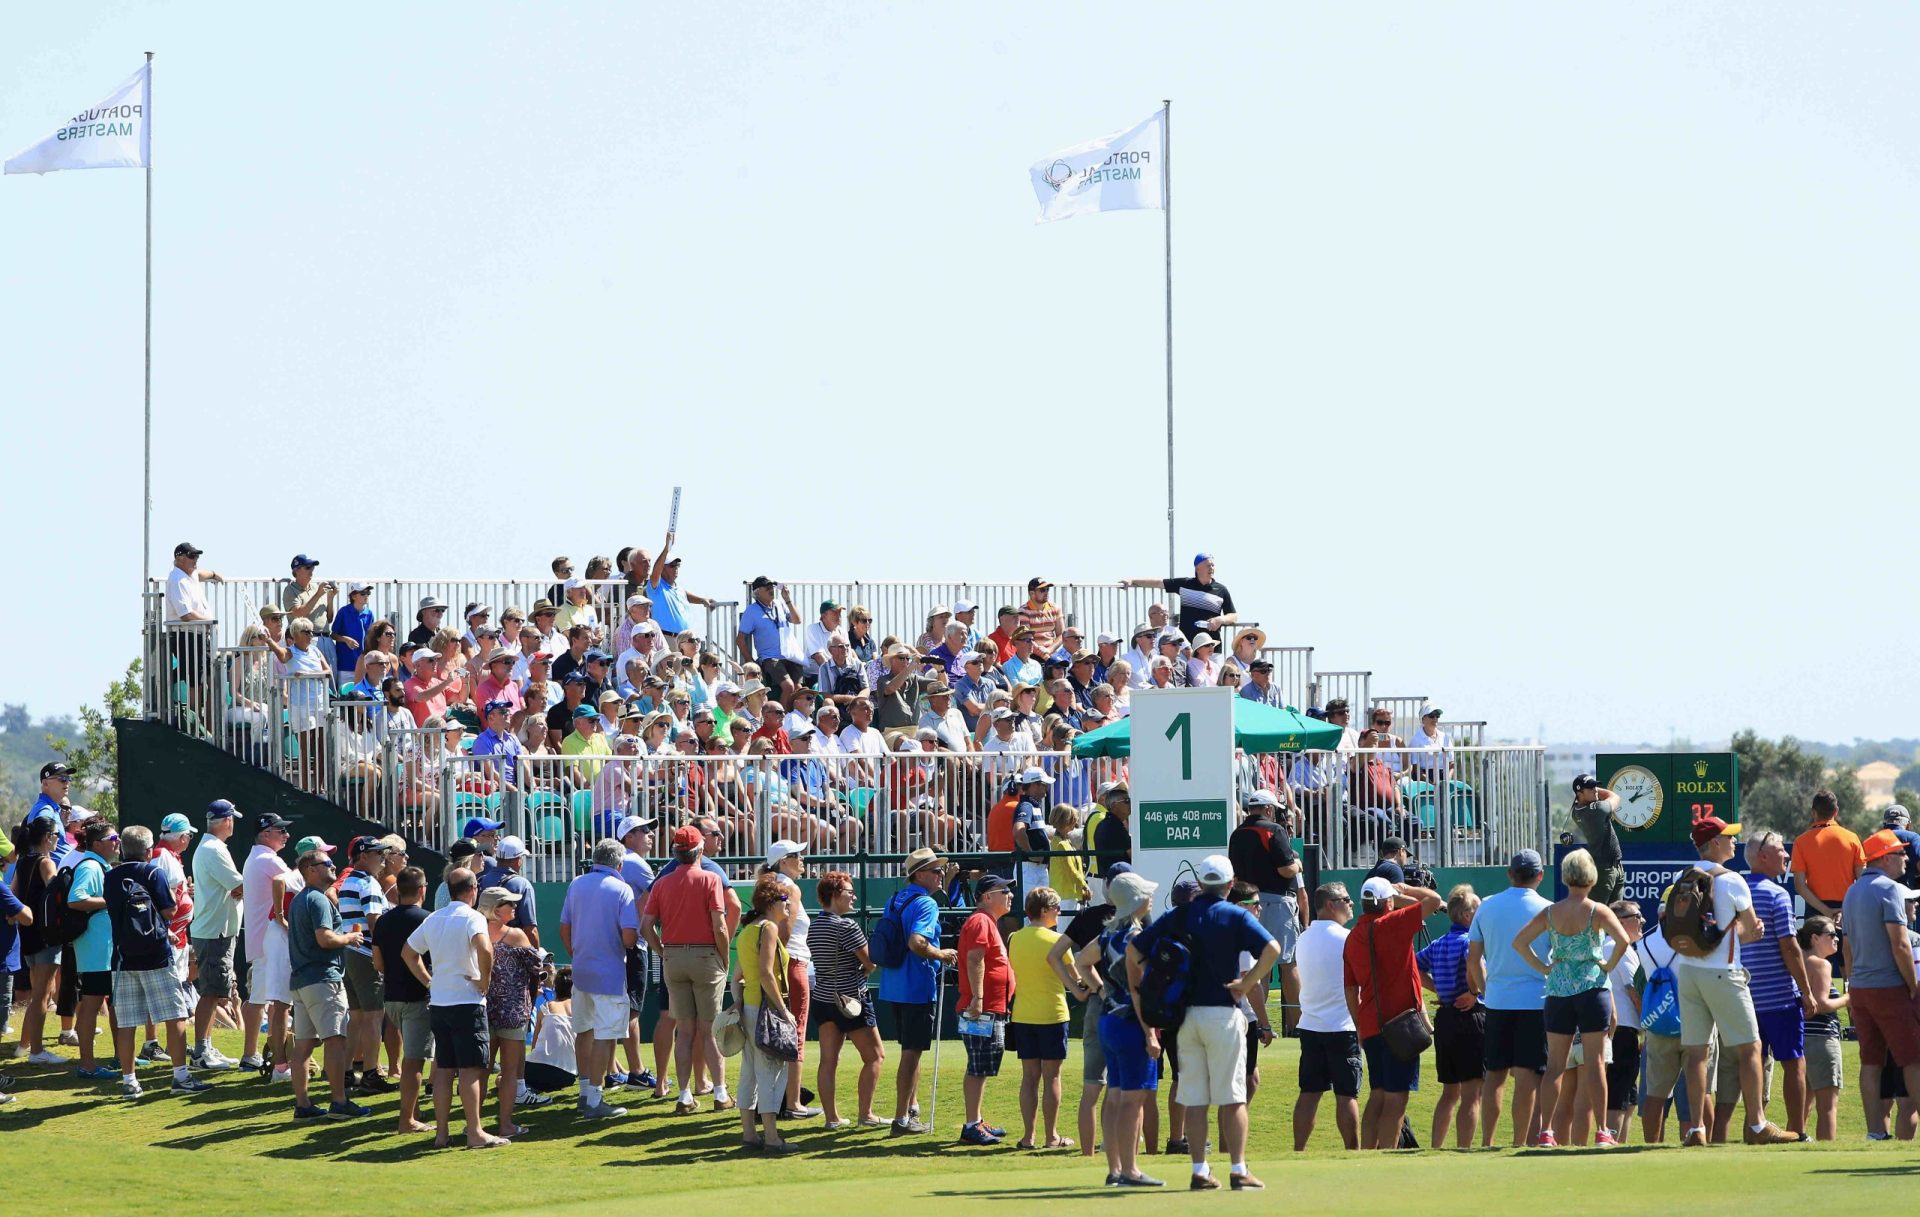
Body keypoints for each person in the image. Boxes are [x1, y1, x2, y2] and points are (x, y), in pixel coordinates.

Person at [1130, 854, 1280, 1190]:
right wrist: (1247, 982)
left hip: (1184, 1018)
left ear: (1201, 882)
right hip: (1223, 1014)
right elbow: (1272, 948)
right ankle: (1238, 1169)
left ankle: (1200, 1170)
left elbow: (1134, 952)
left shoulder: (1178, 915)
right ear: (1229, 885)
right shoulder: (1234, 914)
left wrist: (1152, 986)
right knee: (1233, 1096)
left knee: (1194, 1098)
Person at [1676, 815, 1796, 1146]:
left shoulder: (1682, 875)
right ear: (1714, 843)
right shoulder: (1733, 881)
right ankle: (1757, 1125)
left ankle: (1695, 1128)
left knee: (1697, 1052)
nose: (1733, 842)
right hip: (1722, 972)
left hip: (1687, 971)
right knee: (1751, 1048)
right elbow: (1752, 929)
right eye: (1728, 837)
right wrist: (1744, 932)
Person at [1513, 849, 1631, 1147]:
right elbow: (1623, 940)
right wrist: (1607, 965)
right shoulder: (1597, 911)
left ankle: (1546, 1132)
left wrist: (1543, 967)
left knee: (1555, 1065)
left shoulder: (1552, 912)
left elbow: (1520, 942)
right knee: (1595, 1063)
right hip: (1592, 989)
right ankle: (1603, 1130)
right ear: (1591, 877)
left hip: (1558, 990)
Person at [402, 865, 509, 1149]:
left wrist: (429, 982)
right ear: (473, 890)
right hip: (466, 1002)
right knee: (471, 1069)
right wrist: (484, 980)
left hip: (440, 1002)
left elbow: (409, 953)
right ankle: (474, 1132)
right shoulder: (472, 917)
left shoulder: (434, 918)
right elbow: (485, 949)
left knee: (445, 1071)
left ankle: (441, 1134)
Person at [104, 826, 211, 1099]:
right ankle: (181, 1077)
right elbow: (169, 910)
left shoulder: (111, 876)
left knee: (127, 1023)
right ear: (148, 851)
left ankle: (129, 1082)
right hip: (157, 955)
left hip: (123, 958)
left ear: (122, 848)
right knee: (175, 1016)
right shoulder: (154, 872)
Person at [1344, 875, 1443, 1150]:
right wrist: (1404, 890)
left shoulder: (1353, 937)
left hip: (1371, 1024)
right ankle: (1387, 1153)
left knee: (1377, 1093)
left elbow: (1351, 989)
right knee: (1397, 1097)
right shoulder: (1394, 923)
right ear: (1388, 902)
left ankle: (1367, 1152)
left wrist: (1359, 1025)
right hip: (1401, 1025)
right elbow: (1434, 901)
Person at [639, 826, 731, 1115]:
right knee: (710, 1030)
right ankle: (719, 1093)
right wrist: (724, 959)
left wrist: (663, 951)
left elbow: (646, 926)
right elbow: (720, 925)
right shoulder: (710, 879)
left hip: (674, 957)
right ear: (700, 850)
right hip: (705, 957)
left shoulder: (663, 883)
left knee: (686, 1031)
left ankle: (684, 1096)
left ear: (676, 852)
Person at [1466, 849, 1554, 1147]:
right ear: (1540, 875)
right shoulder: (1548, 909)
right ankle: (1519, 1142)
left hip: (1498, 1002)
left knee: (1495, 1073)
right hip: (1535, 1000)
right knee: (1528, 1074)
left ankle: (1488, 1142)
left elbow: (1474, 959)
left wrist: (1486, 990)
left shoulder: (1487, 906)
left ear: (1510, 873)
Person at [1841, 828, 1920, 1139]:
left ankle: (1875, 1131)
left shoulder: (1852, 891)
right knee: (1913, 1058)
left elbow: (1846, 947)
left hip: (1860, 988)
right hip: (1889, 988)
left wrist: (1850, 984)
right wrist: (1912, 985)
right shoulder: (1889, 889)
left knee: (1871, 1061)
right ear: (1884, 858)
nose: (1906, 858)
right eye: (1900, 853)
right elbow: (1900, 943)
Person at [1740, 828, 1815, 1139]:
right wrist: (1807, 992)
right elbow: (1789, 947)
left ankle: (1753, 1126)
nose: (1786, 855)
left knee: (1752, 1062)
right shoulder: (1776, 894)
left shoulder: (1736, 890)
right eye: (1780, 850)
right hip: (1779, 998)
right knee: (1794, 1063)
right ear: (1763, 856)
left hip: (1743, 997)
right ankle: (1797, 1132)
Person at [286, 845, 371, 1120]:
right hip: (323, 980)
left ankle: (304, 1105)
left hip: (301, 981)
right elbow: (325, 939)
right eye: (327, 864)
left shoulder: (301, 899)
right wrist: (350, 938)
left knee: (303, 1047)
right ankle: (339, 1101)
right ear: (311, 870)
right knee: (336, 1041)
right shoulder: (318, 899)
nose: (333, 868)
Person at [878, 848, 958, 1137]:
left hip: (894, 985)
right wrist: (942, 954)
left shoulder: (894, 899)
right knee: (912, 1053)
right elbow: (916, 942)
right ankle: (901, 1119)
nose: (940, 875)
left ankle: (911, 1108)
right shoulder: (926, 904)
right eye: (935, 871)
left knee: (912, 1051)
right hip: (915, 987)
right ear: (919, 875)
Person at [563, 838, 644, 1121]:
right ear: (619, 864)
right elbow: (629, 937)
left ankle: (586, 1094)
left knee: (584, 1031)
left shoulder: (576, 884)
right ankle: (594, 1099)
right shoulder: (622, 889)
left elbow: (565, 928)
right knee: (605, 1035)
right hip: (609, 974)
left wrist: (579, 954)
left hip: (582, 971)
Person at [730, 873, 799, 1153]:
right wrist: (784, 1011)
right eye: (784, 899)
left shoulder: (747, 930)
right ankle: (771, 1137)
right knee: (771, 1071)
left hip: (750, 1006)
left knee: (750, 1072)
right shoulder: (768, 928)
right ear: (771, 901)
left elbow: (737, 978)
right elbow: (766, 974)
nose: (789, 904)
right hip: (766, 1008)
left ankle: (750, 1134)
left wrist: (738, 1005)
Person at [810, 869, 883, 1129]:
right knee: (875, 1057)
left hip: (822, 999)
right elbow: (870, 962)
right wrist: (864, 970)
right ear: (836, 895)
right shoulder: (847, 926)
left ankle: (832, 1118)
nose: (853, 898)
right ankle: (867, 1114)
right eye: (850, 893)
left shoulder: (814, 925)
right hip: (851, 1000)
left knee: (828, 1061)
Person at [1293, 882, 1361, 1151]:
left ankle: (1299, 1150)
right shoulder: (1347, 938)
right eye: (1346, 899)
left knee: (1309, 1093)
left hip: (1311, 1026)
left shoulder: (1304, 936)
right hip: (1342, 1027)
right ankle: (1352, 1151)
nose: (1351, 903)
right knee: (1347, 1095)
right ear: (1331, 905)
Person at [1227, 791, 1302, 1035]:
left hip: (1246, 902)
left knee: (1259, 964)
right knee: (1288, 962)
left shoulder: (1236, 834)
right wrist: (1297, 864)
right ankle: (1299, 1025)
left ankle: (1258, 1022)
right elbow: (1286, 870)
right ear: (1269, 809)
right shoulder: (1274, 830)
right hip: (1277, 902)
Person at [1009, 885, 1076, 1150]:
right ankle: (1050, 1136)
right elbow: (1075, 978)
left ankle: (1029, 1137)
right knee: (1052, 1078)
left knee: (1029, 1077)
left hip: (1024, 1014)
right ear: (1046, 910)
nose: (1059, 911)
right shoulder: (1057, 941)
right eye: (1056, 907)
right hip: (1053, 1014)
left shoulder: (1014, 938)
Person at [1416, 884, 1484, 1148]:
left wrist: (1438, 989)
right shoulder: (1469, 942)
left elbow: (1415, 965)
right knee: (1472, 1092)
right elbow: (1473, 965)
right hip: (1469, 1017)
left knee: (1449, 1092)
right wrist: (1473, 991)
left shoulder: (1438, 943)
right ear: (1467, 916)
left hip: (1445, 1018)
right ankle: (1463, 1148)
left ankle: (1436, 1147)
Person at [371, 865, 434, 1133]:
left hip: (392, 998)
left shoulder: (383, 920)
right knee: (414, 1061)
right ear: (422, 890)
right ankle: (407, 1120)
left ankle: (413, 1111)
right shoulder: (428, 919)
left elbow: (378, 963)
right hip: (417, 998)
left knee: (411, 1059)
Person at [761, 840, 819, 1119]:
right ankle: (793, 1102)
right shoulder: (790, 888)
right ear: (783, 861)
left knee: (782, 1034)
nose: (802, 859)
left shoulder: (771, 885)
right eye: (797, 855)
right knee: (795, 1033)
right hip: (793, 964)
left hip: (785, 964)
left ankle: (780, 1096)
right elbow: (783, 934)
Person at [955, 874, 1014, 1146]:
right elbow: (975, 958)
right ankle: (971, 1125)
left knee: (982, 1065)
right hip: (982, 1009)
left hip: (990, 1008)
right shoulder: (981, 921)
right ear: (988, 896)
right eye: (1005, 891)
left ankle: (976, 1120)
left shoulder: (987, 922)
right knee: (978, 1067)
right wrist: (978, 998)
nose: (1010, 895)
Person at [480, 886, 543, 1137]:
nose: (515, 907)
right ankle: (505, 1125)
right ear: (496, 910)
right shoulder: (516, 936)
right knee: (508, 1071)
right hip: (513, 1011)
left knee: (481, 1071)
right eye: (510, 903)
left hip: (482, 1009)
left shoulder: (475, 934)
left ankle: (474, 1123)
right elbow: (537, 968)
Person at [188, 799, 244, 1070]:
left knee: (214, 993)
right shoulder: (213, 848)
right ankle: (201, 1053)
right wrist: (241, 887)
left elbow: (237, 886)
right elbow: (239, 885)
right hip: (214, 932)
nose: (233, 823)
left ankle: (206, 1047)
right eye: (232, 818)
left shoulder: (212, 847)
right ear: (226, 821)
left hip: (215, 930)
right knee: (210, 994)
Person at [241, 813, 297, 1077]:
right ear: (265, 834)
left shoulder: (260, 857)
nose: (285, 835)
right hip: (268, 940)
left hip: (264, 938)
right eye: (280, 830)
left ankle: (254, 1054)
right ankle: (265, 1058)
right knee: (269, 1001)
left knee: (264, 1000)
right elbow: (298, 882)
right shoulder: (267, 859)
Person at [336, 834, 392, 1094]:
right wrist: (385, 954)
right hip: (366, 955)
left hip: (351, 953)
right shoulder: (368, 882)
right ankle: (371, 1073)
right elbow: (375, 922)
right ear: (363, 856)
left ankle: (347, 1073)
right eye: (378, 853)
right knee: (373, 1017)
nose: (383, 858)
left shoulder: (350, 881)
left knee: (357, 1017)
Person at [67, 818, 120, 1081]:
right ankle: (87, 1065)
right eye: (113, 840)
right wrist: (111, 901)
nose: (117, 844)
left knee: (100, 1001)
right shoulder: (90, 866)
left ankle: (120, 1056)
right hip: (94, 946)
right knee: (92, 1003)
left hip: (100, 946)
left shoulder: (98, 864)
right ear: (97, 844)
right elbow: (76, 899)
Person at [1797, 916, 1848, 1140]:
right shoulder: (1820, 964)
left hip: (1801, 1039)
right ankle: (1826, 1148)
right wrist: (1849, 998)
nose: (1836, 939)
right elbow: (1821, 1004)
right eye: (1831, 934)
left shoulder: (1798, 961)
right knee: (1828, 1105)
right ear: (1815, 938)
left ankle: (1795, 1144)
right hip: (1821, 1039)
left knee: (1801, 1106)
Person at [1603, 899, 1645, 1143]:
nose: (1641, 921)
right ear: (1619, 922)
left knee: (1628, 1096)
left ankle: (1618, 1147)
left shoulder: (1615, 947)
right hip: (1622, 1030)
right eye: (1636, 916)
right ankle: (1610, 1147)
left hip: (1623, 1029)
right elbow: (1635, 992)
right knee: (1619, 1095)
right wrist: (1650, 1027)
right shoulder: (1620, 947)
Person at [1122, 552, 1237, 641]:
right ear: (1197, 568)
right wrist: (1132, 581)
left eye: (1212, 565)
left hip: (1212, 647)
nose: (1211, 568)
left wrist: (1221, 619)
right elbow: (1158, 583)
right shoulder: (1185, 584)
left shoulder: (1221, 590)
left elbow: (1234, 616)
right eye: (1208, 565)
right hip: (1186, 646)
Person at [1792, 788, 1865, 924]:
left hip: (1815, 913)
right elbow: (1862, 880)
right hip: (1847, 911)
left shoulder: (1801, 842)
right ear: (1836, 812)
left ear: (1813, 812)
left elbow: (1800, 886)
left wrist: (1825, 910)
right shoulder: (1852, 838)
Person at [1566, 773, 1627, 906]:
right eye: (1590, 788)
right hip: (1604, 870)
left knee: (1616, 915)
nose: (1595, 790)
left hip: (1613, 867)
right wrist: (1598, 791)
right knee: (1596, 914)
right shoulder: (1596, 810)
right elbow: (1615, 797)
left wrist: (1590, 788)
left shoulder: (1577, 810)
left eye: (1595, 787)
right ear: (1579, 793)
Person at [525, 965, 579, 1097]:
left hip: (536, 1069)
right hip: (568, 1075)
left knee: (504, 1076)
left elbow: (534, 1045)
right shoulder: (581, 1008)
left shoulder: (546, 1006)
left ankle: (526, 1087)